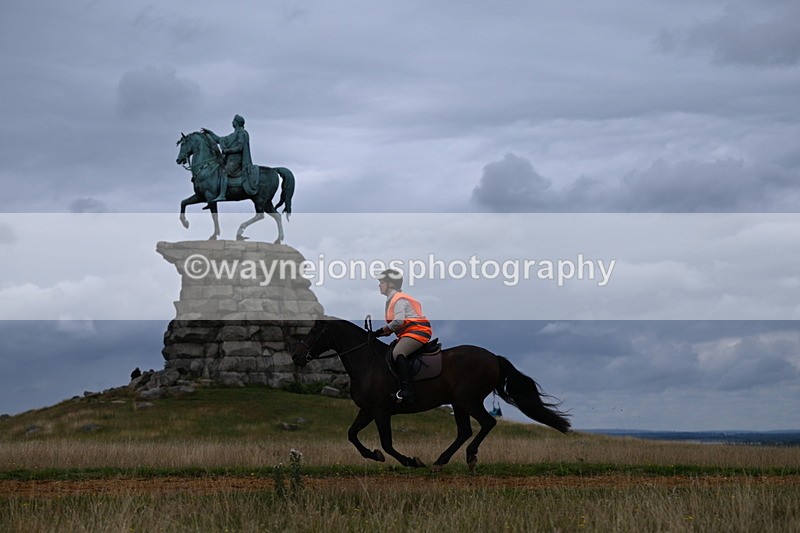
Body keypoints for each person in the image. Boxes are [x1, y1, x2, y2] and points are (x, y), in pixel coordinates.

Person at [375, 269, 432, 403]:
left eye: (382, 282)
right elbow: (396, 325)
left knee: (398, 353)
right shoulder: (391, 300)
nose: (379, 285)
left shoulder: (399, 299)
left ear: (390, 284)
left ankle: (408, 391)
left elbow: (399, 321)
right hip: (408, 332)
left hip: (418, 331)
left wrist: (382, 329)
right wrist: (378, 334)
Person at [201, 114, 256, 204]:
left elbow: (240, 147)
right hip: (229, 160)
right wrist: (210, 133)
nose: (232, 122)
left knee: (224, 172)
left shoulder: (242, 133)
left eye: (233, 121)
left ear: (237, 123)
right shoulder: (233, 135)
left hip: (236, 161)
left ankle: (222, 195)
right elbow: (219, 140)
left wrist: (227, 151)